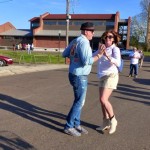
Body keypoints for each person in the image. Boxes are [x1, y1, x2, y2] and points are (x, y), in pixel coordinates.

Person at [62, 22, 104, 137]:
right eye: (92, 31)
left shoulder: (75, 41)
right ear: (86, 31)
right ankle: (69, 126)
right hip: (80, 76)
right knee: (79, 101)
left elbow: (64, 54)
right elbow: (87, 61)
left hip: (73, 73)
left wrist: (74, 57)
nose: (93, 33)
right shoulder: (85, 42)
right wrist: (99, 55)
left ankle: (76, 124)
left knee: (79, 100)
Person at [94, 30, 121, 134]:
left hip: (111, 75)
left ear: (113, 39)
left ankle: (113, 120)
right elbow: (93, 56)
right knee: (101, 101)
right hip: (102, 76)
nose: (107, 39)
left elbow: (118, 63)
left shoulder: (115, 49)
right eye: (106, 37)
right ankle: (105, 122)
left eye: (110, 37)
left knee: (103, 99)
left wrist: (107, 55)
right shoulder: (102, 48)